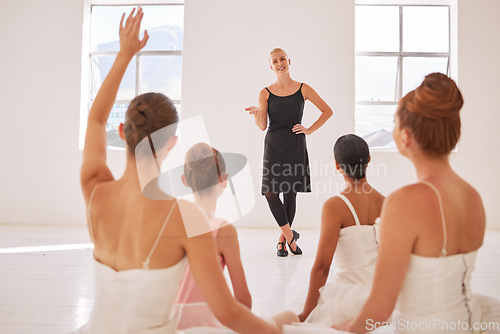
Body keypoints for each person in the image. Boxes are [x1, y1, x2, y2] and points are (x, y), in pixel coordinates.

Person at [77, 8, 280, 333]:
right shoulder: (186, 219)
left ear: (122, 130)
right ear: (172, 142)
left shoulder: (94, 189)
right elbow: (230, 313)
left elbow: (94, 120)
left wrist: (125, 54)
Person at [333, 73, 500, 333]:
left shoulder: (405, 202)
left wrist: (344, 329)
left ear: (406, 137)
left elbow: (380, 309)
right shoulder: (473, 197)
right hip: (468, 322)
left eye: (395, 123)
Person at [246, 48, 333, 257]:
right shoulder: (265, 92)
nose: (279, 63)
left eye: (282, 59)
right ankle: (291, 237)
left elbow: (327, 111)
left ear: (289, 61)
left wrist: (309, 129)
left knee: (290, 193)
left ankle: (282, 240)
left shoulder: (303, 88)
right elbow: (262, 125)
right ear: (271, 66)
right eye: (274, 61)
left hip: (295, 143)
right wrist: (258, 114)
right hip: (274, 145)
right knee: (270, 192)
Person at [295, 134, 385, 325]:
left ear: (337, 165)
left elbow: (322, 267)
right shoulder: (385, 203)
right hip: (381, 296)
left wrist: (306, 315)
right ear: (369, 160)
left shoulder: (335, 206)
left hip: (351, 298)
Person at [171, 143, 252, 330]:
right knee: (287, 317)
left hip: (171, 321)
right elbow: (243, 301)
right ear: (224, 180)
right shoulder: (224, 231)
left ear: (184, 180)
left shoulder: (171, 225)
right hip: (208, 323)